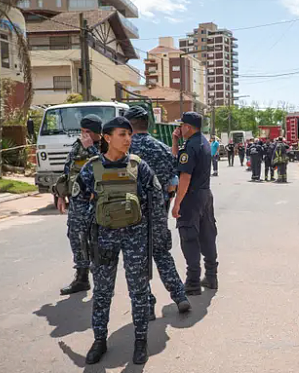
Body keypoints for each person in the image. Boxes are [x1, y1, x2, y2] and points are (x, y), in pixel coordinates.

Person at [73, 116, 165, 365]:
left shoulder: (139, 166)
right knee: (102, 292)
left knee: (139, 292)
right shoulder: (92, 167)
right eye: (122, 134)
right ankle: (99, 340)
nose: (127, 139)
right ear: (106, 137)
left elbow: (156, 200)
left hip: (135, 238)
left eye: (130, 134)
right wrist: (83, 237)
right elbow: (78, 202)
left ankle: (140, 340)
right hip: (104, 239)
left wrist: (158, 234)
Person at [125, 107, 191, 321]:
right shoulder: (162, 149)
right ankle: (180, 296)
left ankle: (147, 304)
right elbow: (173, 180)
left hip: (131, 214)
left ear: (129, 126)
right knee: (162, 254)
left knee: (138, 260)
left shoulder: (124, 150)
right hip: (158, 210)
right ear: (148, 124)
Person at [53, 114, 102, 296]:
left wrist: (91, 150)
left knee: (97, 241)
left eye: (87, 132)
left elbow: (104, 167)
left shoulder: (105, 146)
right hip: (77, 202)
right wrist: (60, 195)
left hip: (98, 203)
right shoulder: (77, 146)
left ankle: (102, 282)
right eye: (82, 131)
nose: (84, 135)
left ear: (96, 133)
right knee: (76, 237)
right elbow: (68, 170)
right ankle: (82, 278)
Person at [172, 112, 218, 296]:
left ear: (188, 127)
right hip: (206, 194)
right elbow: (178, 160)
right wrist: (175, 141)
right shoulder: (203, 142)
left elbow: (185, 176)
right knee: (207, 234)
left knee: (189, 237)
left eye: (181, 125)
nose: (180, 128)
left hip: (191, 197)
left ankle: (192, 282)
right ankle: (211, 276)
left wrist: (177, 204)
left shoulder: (190, 146)